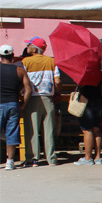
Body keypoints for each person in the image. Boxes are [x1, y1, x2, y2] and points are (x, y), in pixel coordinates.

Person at [21, 37, 61, 166]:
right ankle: (51, 158)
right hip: (48, 98)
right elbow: (58, 81)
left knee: (31, 129)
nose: (28, 47)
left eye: (30, 45)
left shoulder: (25, 61)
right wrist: (57, 92)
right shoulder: (52, 61)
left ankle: (32, 159)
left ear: (35, 48)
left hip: (31, 98)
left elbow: (22, 80)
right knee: (48, 130)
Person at [0, 44, 32, 170]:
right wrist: (23, 103)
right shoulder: (19, 70)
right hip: (13, 104)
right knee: (12, 132)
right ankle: (10, 162)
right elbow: (28, 90)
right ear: (13, 55)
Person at [73, 79, 102, 166]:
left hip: (86, 99)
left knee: (87, 129)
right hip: (98, 98)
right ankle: (98, 157)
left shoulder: (83, 73)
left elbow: (81, 85)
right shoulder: (98, 70)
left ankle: (88, 158)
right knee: (96, 128)